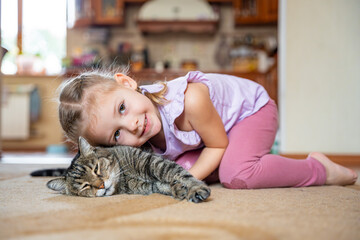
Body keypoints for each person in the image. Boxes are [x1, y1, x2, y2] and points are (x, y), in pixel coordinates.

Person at [57, 68, 358, 189]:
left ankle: (319, 169)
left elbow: (217, 145)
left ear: (126, 83)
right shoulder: (144, 129)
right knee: (179, 164)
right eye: (117, 134)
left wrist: (182, 181)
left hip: (251, 112)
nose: (132, 125)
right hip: (211, 138)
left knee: (237, 175)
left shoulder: (190, 101)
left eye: (122, 108)